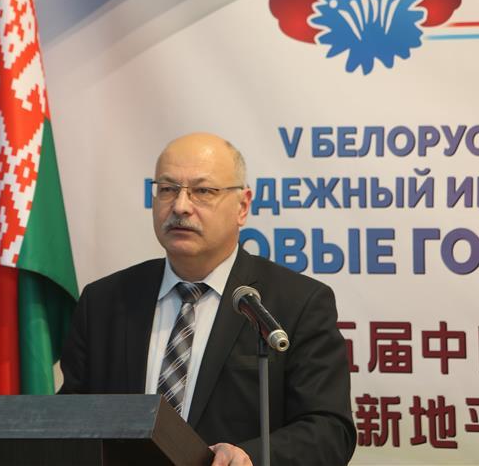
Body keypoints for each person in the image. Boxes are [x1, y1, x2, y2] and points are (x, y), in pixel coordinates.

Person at [59, 132, 356, 466]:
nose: (180, 206)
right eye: (167, 189)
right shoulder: (104, 302)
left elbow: (330, 431)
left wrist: (250, 457)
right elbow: (69, 422)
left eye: (203, 191)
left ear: (243, 206)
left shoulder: (295, 303)